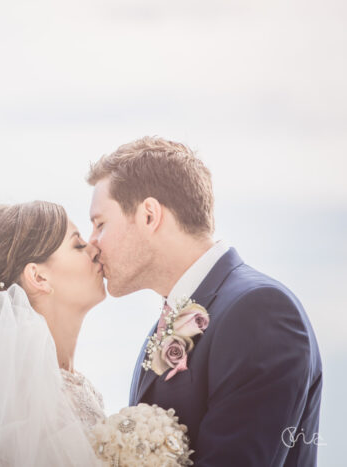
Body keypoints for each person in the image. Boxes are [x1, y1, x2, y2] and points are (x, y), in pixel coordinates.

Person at [86, 136, 322, 466]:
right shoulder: (170, 322)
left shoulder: (259, 311)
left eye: (100, 224)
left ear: (150, 216)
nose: (92, 244)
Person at [0, 201, 107, 466]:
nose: (95, 249)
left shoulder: (68, 383)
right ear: (38, 278)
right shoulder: (15, 399)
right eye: (78, 245)